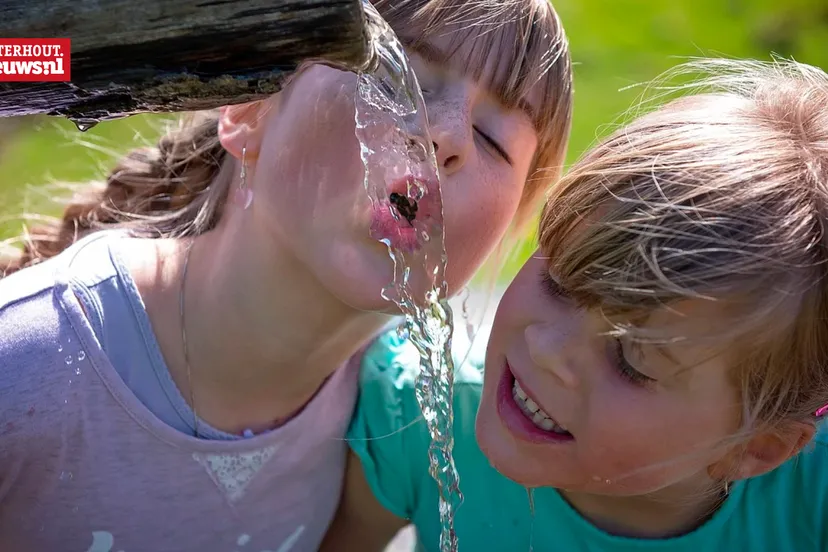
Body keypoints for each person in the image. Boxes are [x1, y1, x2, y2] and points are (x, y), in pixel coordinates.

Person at [0, 0, 573, 550]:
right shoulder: (28, 365)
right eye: (397, 80)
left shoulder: (395, 421)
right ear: (249, 111)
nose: (445, 135)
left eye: (494, 139)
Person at [325, 57, 828, 551]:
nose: (546, 348)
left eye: (631, 360)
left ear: (754, 447)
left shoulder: (809, 504)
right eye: (561, 283)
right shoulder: (421, 418)